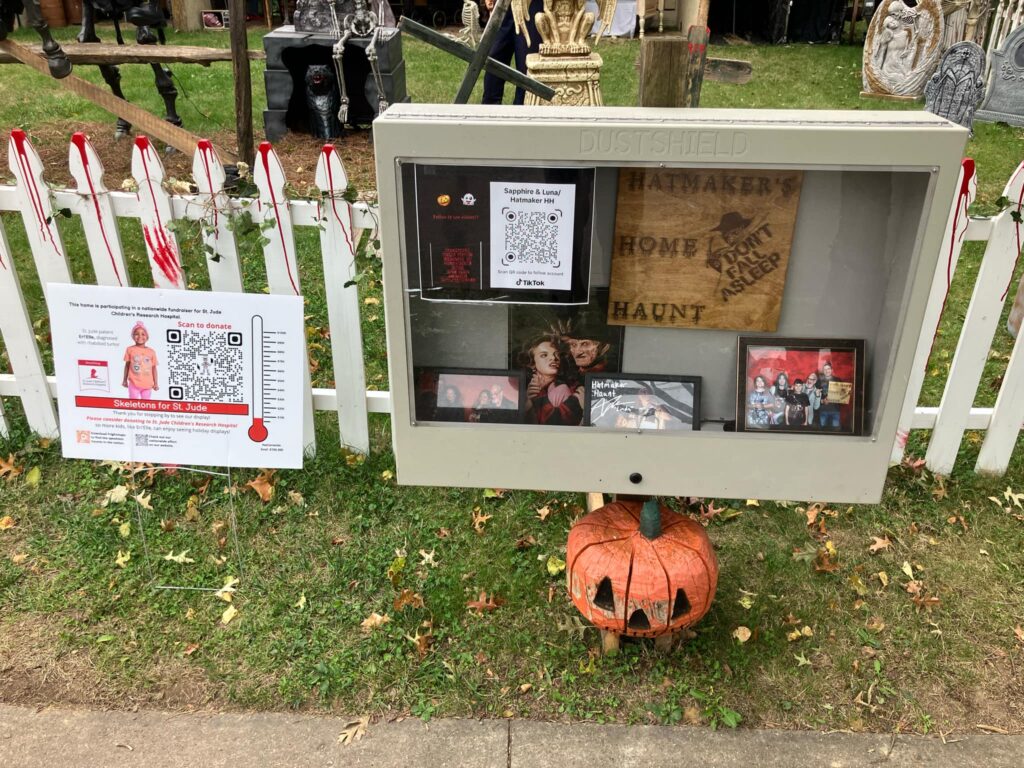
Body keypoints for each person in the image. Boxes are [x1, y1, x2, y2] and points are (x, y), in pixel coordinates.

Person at [481, 0, 543, 105]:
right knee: (493, 60)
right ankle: (489, 112)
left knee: (526, 67)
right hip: (503, 5)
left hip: (530, 6)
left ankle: (522, 115)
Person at [520, 333, 583, 426]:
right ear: (532, 362)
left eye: (556, 354)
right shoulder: (523, 387)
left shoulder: (566, 388)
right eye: (544, 355)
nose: (553, 358)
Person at [122, 321, 158, 400]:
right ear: (133, 336)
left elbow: (154, 368)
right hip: (134, 384)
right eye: (136, 334)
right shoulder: (130, 349)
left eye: (143, 334)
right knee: (133, 403)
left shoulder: (151, 352)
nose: (140, 336)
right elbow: (127, 366)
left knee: (146, 404)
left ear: (147, 337)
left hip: (148, 385)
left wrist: (155, 383)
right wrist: (124, 380)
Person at [818, 361, 843, 430]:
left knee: (835, 431)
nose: (827, 371)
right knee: (822, 430)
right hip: (823, 410)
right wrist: (822, 401)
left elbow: (843, 394)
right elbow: (815, 396)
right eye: (825, 369)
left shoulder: (838, 380)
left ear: (832, 370)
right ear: (823, 371)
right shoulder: (819, 381)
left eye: (828, 369)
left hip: (835, 410)